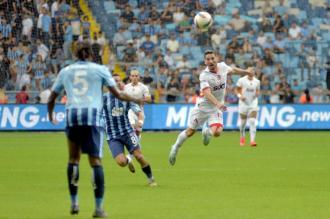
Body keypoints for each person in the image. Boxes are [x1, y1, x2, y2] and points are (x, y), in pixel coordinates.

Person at [47, 42, 144, 218]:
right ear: (91, 54)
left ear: (75, 53)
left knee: (73, 159)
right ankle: (98, 208)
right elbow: (119, 94)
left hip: (72, 116)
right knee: (95, 162)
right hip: (92, 117)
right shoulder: (99, 70)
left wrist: (50, 114)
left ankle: (74, 202)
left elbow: (52, 97)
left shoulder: (66, 71)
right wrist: (135, 99)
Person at [169, 50, 253, 165]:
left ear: (216, 59)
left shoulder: (223, 66)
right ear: (205, 62)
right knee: (190, 132)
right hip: (203, 107)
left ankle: (206, 133)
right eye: (208, 59)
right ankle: (175, 148)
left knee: (218, 132)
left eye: (212, 58)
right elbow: (207, 93)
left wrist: (246, 72)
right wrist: (218, 104)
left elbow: (233, 70)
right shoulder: (204, 75)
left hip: (215, 108)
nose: (211, 61)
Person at [103, 74, 157, 186]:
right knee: (121, 162)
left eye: (119, 81)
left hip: (127, 132)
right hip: (113, 136)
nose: (118, 82)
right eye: (114, 81)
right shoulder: (103, 99)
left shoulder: (126, 97)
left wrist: (139, 124)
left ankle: (151, 178)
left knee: (139, 156)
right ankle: (128, 160)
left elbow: (139, 112)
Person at [235, 69, 260, 147]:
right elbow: (236, 90)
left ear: (254, 72)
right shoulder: (241, 80)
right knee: (243, 124)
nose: (251, 72)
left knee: (252, 121)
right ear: (247, 72)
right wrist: (240, 96)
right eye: (249, 71)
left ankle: (252, 141)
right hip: (243, 103)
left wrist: (257, 94)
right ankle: (242, 136)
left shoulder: (257, 81)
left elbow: (258, 90)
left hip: (253, 103)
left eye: (252, 71)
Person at [124, 69, 152, 138]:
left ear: (139, 77)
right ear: (130, 77)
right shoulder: (126, 87)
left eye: (136, 76)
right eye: (132, 76)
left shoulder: (143, 87)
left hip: (139, 111)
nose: (134, 77)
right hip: (129, 111)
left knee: (137, 133)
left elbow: (149, 99)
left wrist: (141, 100)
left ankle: (136, 146)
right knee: (131, 129)